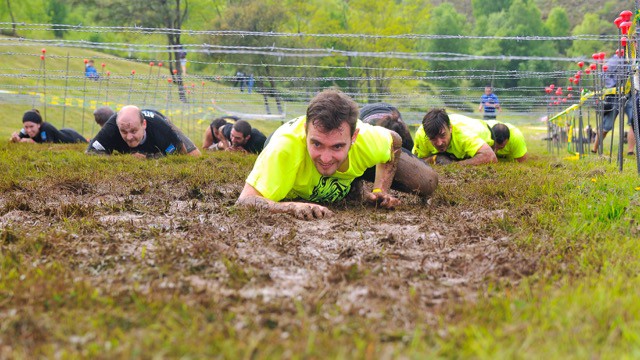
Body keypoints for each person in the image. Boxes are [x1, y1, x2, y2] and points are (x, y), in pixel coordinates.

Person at [236, 89, 438, 220]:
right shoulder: (283, 149)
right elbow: (245, 201)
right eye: (316, 144)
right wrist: (291, 207)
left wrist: (380, 190)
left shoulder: (367, 139)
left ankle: (353, 187)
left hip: (354, 158)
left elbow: (395, 140)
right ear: (306, 131)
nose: (325, 158)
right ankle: (351, 188)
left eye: (337, 147)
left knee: (428, 181)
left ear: (354, 137)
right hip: (284, 150)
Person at [87, 105, 200, 158]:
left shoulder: (161, 128)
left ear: (144, 125)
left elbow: (181, 155)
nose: (129, 137)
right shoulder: (112, 127)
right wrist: (124, 159)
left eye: (134, 131)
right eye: (124, 132)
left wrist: (149, 158)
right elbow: (91, 152)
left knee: (195, 157)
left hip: (159, 122)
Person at [413, 109, 497, 165]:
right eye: (433, 138)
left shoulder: (464, 134)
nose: (439, 143)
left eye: (442, 135)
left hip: (487, 133)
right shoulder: (421, 135)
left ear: (450, 128)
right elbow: (417, 162)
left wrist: (456, 165)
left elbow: (490, 156)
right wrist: (433, 158)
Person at [592, 52, 632, 154]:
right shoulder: (614, 60)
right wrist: (614, 86)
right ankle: (594, 149)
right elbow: (604, 75)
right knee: (607, 125)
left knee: (634, 121)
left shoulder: (631, 59)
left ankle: (631, 151)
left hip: (629, 95)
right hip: (614, 97)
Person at [10, 109, 87, 144]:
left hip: (72, 137)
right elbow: (17, 139)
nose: (29, 130)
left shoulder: (46, 128)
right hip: (63, 131)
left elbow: (47, 145)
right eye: (26, 127)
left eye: (31, 126)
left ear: (38, 124)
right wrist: (15, 139)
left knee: (88, 143)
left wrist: (28, 141)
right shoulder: (25, 130)